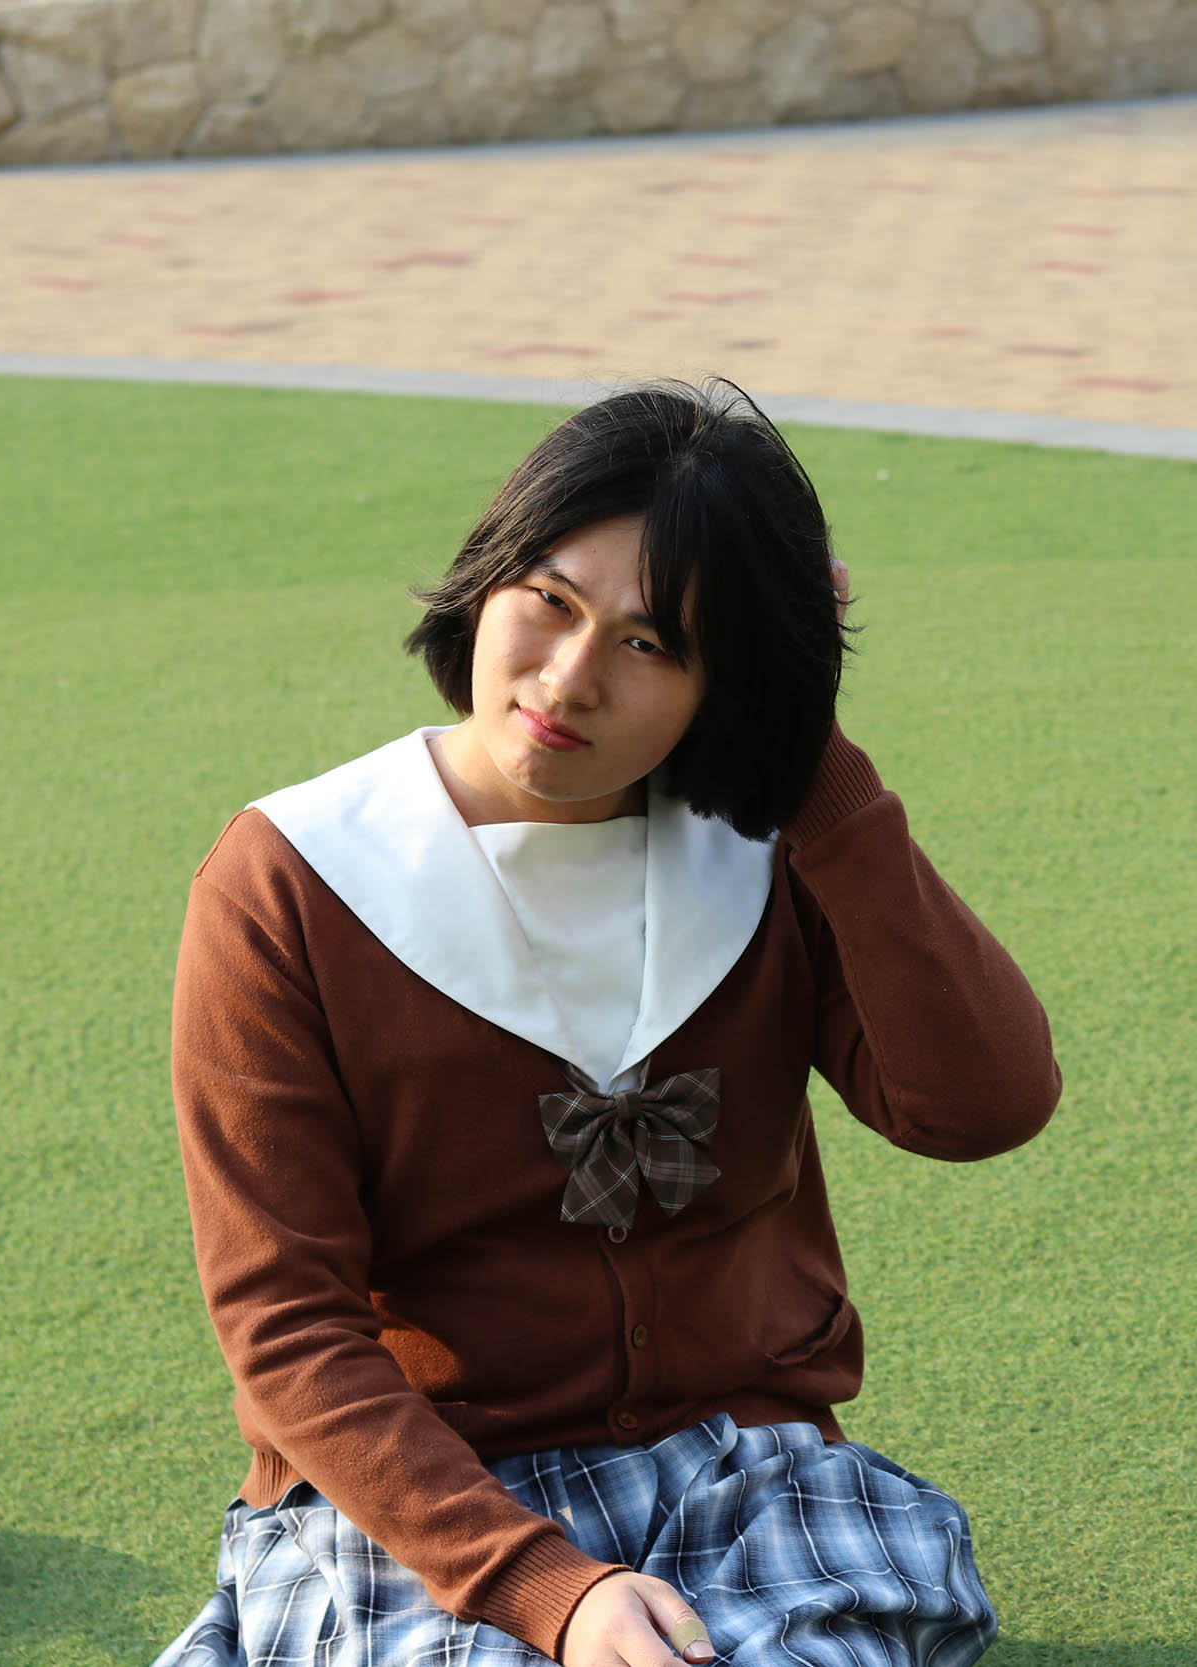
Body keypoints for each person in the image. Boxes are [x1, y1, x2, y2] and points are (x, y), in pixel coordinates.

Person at [153, 381, 1061, 1667]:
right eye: (549, 599)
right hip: (420, 1496)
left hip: (743, 1472)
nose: (569, 678)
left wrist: (815, 762)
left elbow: (979, 1104)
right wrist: (550, 1588)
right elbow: (286, 1324)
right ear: (486, 579)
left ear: (724, 681)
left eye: (653, 643)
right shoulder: (292, 877)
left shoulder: (766, 848)